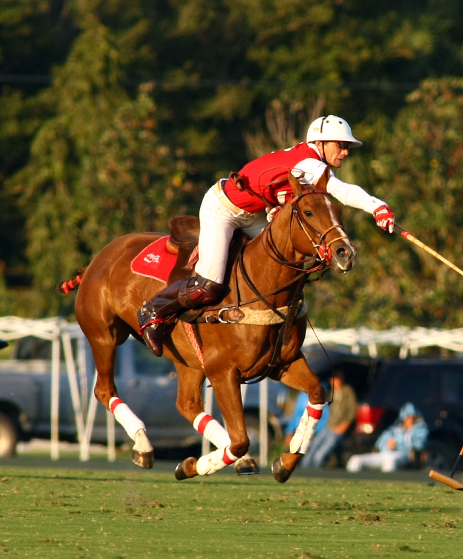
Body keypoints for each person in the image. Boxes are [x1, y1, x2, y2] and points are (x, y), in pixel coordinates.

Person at [137, 115, 396, 356]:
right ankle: (154, 310)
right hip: (223, 209)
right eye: (340, 145)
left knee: (280, 261)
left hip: (252, 214)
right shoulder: (308, 163)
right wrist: (378, 207)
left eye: (347, 147)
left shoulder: (309, 165)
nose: (345, 152)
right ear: (320, 143)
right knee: (209, 283)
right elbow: (343, 191)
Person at [345, 403, 428, 473]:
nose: (411, 420)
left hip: (402, 456)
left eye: (413, 417)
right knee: (355, 460)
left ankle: (386, 486)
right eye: (408, 417)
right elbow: (379, 443)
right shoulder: (395, 429)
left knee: (390, 461)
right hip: (384, 454)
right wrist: (387, 444)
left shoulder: (420, 429)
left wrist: (398, 443)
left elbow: (419, 444)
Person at [301, 370, 358, 468]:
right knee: (311, 449)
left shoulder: (347, 391)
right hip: (328, 426)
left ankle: (318, 474)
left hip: (339, 428)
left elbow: (352, 410)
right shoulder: (330, 392)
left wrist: (344, 426)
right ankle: (305, 472)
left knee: (320, 455)